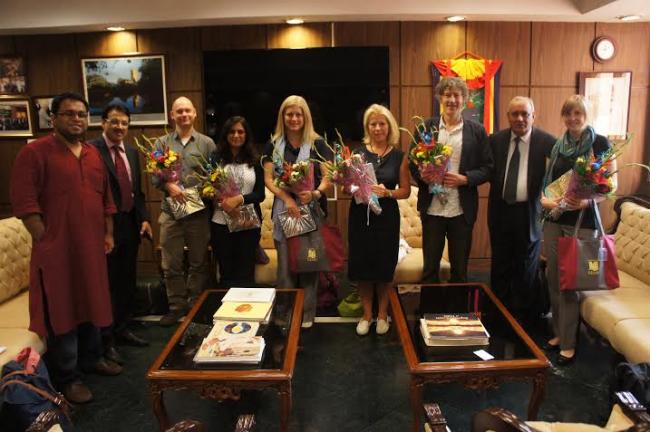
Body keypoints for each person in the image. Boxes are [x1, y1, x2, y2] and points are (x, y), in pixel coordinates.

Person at [10, 92, 122, 404]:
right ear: (54, 118)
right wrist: (45, 240)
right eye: (69, 114)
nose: (76, 119)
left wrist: (108, 233)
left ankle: (92, 359)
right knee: (63, 310)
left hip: (91, 248)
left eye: (81, 114)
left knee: (92, 302)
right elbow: (25, 203)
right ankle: (68, 377)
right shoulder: (35, 152)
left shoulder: (92, 154)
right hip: (56, 251)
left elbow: (106, 200)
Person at [540, 95, 616, 366]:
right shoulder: (559, 145)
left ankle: (569, 344)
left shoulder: (601, 143)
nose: (573, 118)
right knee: (552, 278)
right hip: (555, 219)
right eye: (568, 113)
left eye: (578, 113)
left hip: (582, 223)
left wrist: (585, 201)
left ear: (586, 115)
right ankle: (559, 332)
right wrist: (546, 200)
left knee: (569, 283)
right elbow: (550, 182)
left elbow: (610, 187)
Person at [410, 77, 493, 284]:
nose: (452, 100)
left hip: (461, 211)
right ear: (440, 97)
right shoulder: (426, 128)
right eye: (447, 95)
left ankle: (457, 306)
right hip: (432, 209)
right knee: (430, 270)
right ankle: (430, 305)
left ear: (464, 99)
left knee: (460, 271)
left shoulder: (477, 131)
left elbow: (488, 168)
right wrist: (423, 175)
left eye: (457, 95)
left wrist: (465, 179)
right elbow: (412, 162)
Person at [262, 95, 332, 328]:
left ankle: (307, 315)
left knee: (309, 264)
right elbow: (268, 179)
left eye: (298, 114)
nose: (294, 118)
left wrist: (315, 193)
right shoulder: (273, 144)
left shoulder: (318, 143)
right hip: (285, 213)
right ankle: (284, 315)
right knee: (285, 268)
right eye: (289, 114)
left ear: (305, 117)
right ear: (283, 117)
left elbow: (328, 177)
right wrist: (287, 199)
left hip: (311, 213)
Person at [90, 104, 153, 364]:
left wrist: (145, 218)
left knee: (127, 279)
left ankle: (123, 328)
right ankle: (106, 340)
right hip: (104, 227)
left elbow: (137, 192)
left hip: (129, 223)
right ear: (103, 123)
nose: (119, 127)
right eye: (114, 122)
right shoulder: (92, 151)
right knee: (107, 283)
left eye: (124, 123)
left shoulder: (132, 152)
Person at [488, 97, 556, 323]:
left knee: (526, 266)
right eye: (514, 114)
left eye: (524, 114)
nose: (520, 118)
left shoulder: (547, 142)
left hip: (529, 211)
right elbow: (484, 169)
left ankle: (524, 320)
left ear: (533, 116)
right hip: (500, 211)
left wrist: (553, 198)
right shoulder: (495, 140)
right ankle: (499, 316)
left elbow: (564, 171)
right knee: (500, 263)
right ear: (508, 117)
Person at [349, 104, 410, 336]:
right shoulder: (357, 154)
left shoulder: (399, 156)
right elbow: (347, 188)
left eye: (381, 123)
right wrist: (357, 188)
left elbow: (405, 191)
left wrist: (388, 193)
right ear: (367, 127)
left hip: (387, 218)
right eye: (373, 124)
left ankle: (383, 314)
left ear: (389, 126)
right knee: (363, 266)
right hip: (361, 216)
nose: (377, 128)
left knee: (384, 267)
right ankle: (367, 315)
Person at [155, 97, 217, 326]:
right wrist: (168, 185)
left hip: (197, 214)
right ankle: (176, 307)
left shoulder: (207, 144)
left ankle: (194, 306)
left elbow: (215, 176)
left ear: (195, 113)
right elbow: (155, 177)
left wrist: (205, 190)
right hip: (171, 214)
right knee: (171, 264)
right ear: (172, 115)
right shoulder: (161, 143)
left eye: (187, 110)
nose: (183, 114)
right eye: (179, 111)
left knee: (198, 263)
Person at [210, 116, 264, 288]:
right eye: (232, 132)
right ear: (226, 134)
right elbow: (208, 188)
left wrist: (239, 199)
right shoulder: (215, 158)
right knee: (226, 274)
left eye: (240, 132)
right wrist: (223, 203)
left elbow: (260, 194)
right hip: (221, 223)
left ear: (246, 135)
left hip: (248, 224)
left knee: (246, 274)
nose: (236, 135)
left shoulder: (255, 159)